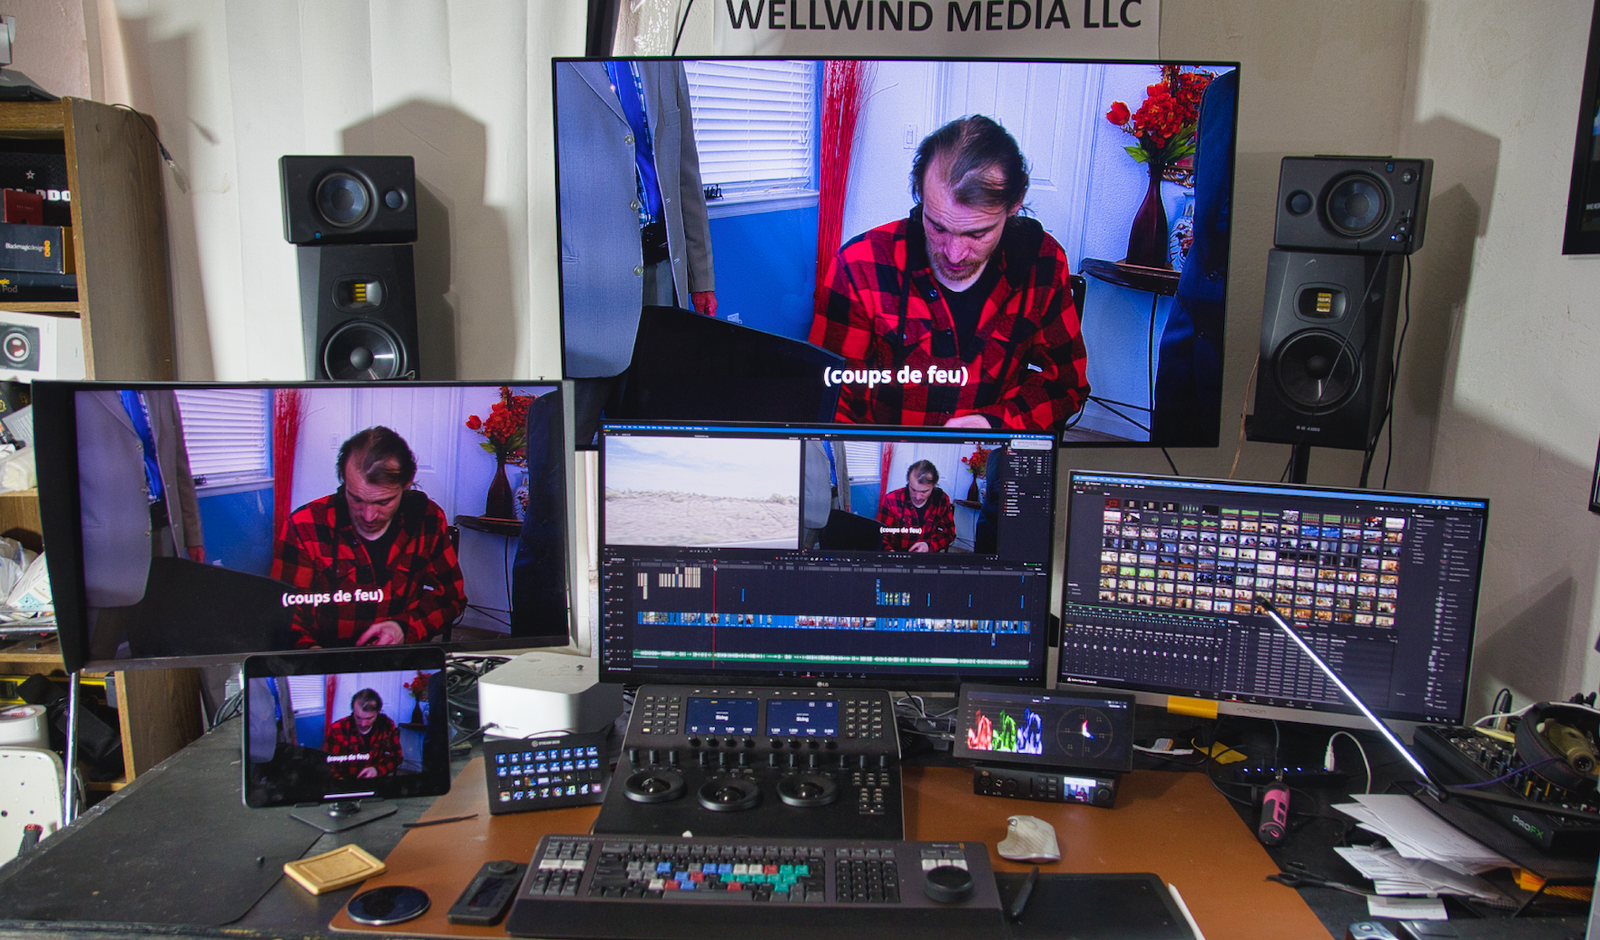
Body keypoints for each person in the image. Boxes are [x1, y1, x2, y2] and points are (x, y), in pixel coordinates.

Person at [809, 115, 1089, 431]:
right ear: (920, 193)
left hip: (989, 452)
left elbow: (1065, 384)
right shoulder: (860, 265)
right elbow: (829, 396)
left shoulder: (1044, 262)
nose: (954, 254)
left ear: (1014, 205)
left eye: (977, 234)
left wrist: (995, 424)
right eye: (938, 227)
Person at [555, 60, 718, 434]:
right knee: (573, 437)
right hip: (588, 291)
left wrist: (700, 277)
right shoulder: (561, 63)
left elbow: (686, 171)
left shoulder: (664, 62)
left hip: (663, 278)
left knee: (654, 430)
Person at [272, 426, 466, 649]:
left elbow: (451, 597)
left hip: (400, 658)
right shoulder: (304, 525)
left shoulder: (428, 519)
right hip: (324, 659)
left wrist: (404, 629)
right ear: (343, 480)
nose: (368, 515)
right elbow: (283, 614)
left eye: (383, 502)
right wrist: (312, 655)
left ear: (406, 484)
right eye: (356, 499)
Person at [75, 389, 205, 659]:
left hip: (164, 534)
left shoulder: (160, 393)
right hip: (110, 544)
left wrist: (192, 535)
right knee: (98, 650)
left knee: (159, 645)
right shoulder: (82, 395)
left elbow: (179, 464)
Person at [324, 688, 402, 782]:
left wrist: (377, 770)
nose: (363, 724)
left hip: (376, 780)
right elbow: (327, 764)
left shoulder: (387, 725)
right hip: (345, 782)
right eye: (358, 717)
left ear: (378, 712)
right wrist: (341, 783)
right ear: (353, 710)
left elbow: (397, 757)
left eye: (369, 718)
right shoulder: (337, 729)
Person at [878, 460, 954, 553]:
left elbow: (949, 533)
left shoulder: (942, 500)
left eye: (924, 491)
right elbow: (881, 535)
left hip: (927, 556)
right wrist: (890, 553)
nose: (918, 497)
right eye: (913, 490)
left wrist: (929, 545)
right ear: (908, 481)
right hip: (897, 554)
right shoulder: (891, 499)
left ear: (934, 484)